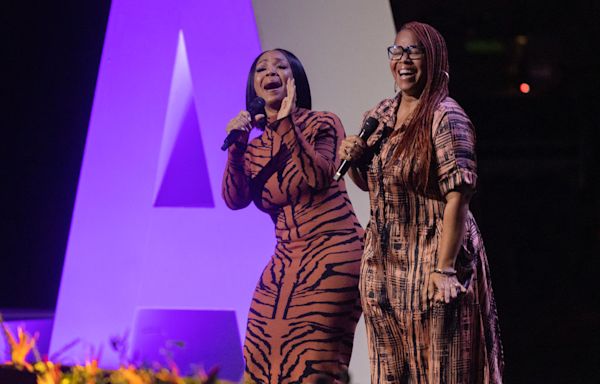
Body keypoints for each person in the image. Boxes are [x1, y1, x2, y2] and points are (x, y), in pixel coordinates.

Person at [339, 22, 504, 383]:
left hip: (432, 263)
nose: (403, 59)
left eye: (414, 51)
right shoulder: (382, 113)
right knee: (389, 373)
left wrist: (444, 268)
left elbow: (458, 196)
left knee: (442, 372)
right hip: (385, 268)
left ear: (434, 59)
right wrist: (356, 160)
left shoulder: (446, 116)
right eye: (396, 51)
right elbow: (375, 185)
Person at [222, 49, 363, 384]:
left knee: (311, 357)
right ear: (253, 85)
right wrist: (236, 148)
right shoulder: (254, 147)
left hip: (335, 249)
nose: (270, 72)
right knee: (259, 348)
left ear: (294, 79)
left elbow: (319, 176)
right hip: (287, 255)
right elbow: (234, 199)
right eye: (261, 69)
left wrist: (286, 124)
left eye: (280, 67)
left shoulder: (322, 123)